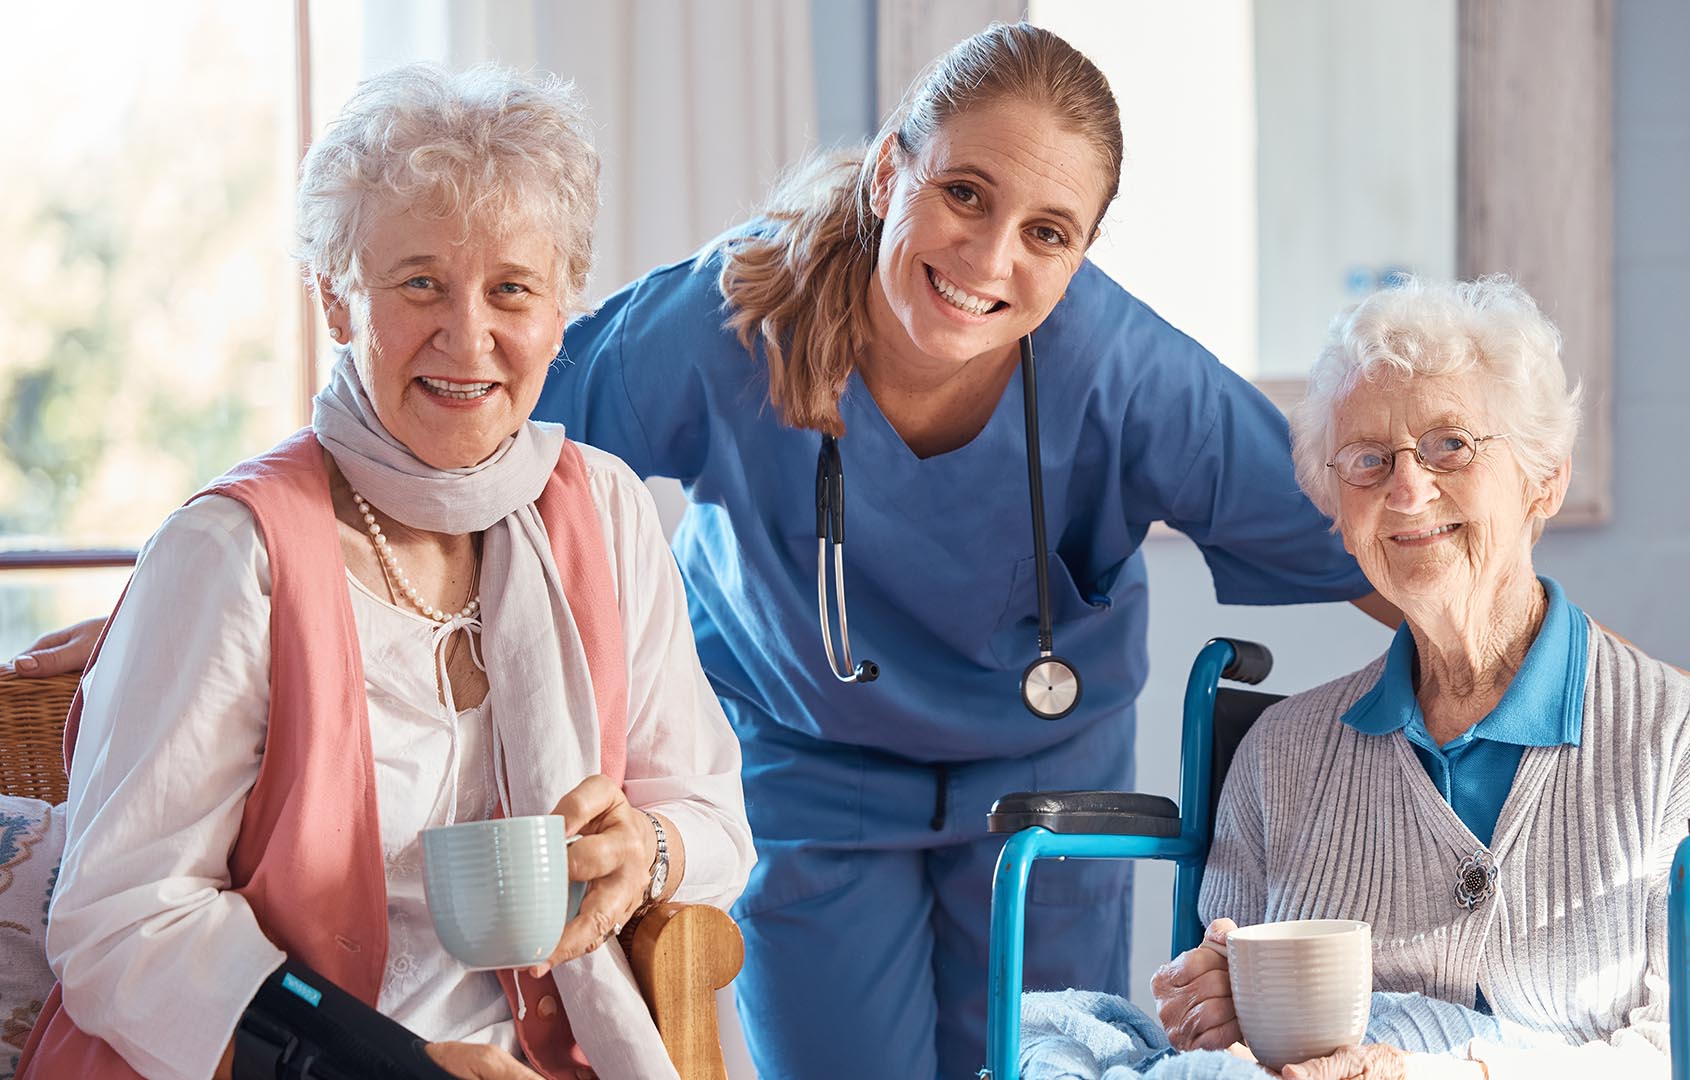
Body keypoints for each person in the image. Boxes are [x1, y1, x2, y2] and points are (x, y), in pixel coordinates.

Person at [7, 23, 1392, 1079]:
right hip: (813, 763)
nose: (990, 255)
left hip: (1038, 775)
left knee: (1023, 1065)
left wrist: (1519, 664)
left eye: (1047, 233)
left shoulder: (1126, 375)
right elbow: (448, 416)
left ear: (1086, 250)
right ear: (890, 171)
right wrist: (211, 562)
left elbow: (1357, 535)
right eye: (963, 193)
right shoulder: (727, 323)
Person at [17, 65, 752, 1080]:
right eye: (419, 283)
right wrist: (394, 1068)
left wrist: (647, 851)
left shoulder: (608, 510)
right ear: (335, 298)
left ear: (562, 306)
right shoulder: (231, 553)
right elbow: (122, 922)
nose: (467, 336)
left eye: (510, 290)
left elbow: (713, 816)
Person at [1149, 277, 1690, 1080]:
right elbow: (1227, 1045)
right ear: (1339, 517)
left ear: (1543, 477)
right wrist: (1220, 1006)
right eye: (1369, 460)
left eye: (1451, 444)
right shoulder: (1279, 757)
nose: (1407, 490)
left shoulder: (1687, 738)